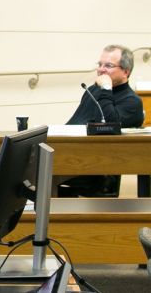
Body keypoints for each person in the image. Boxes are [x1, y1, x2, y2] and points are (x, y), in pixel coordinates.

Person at [58, 44, 144, 197]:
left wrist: (106, 89)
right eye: (100, 64)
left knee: (35, 174)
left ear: (126, 71)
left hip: (95, 167)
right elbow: (75, 123)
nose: (101, 69)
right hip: (70, 156)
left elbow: (108, 124)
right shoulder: (93, 90)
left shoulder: (132, 102)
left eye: (109, 65)